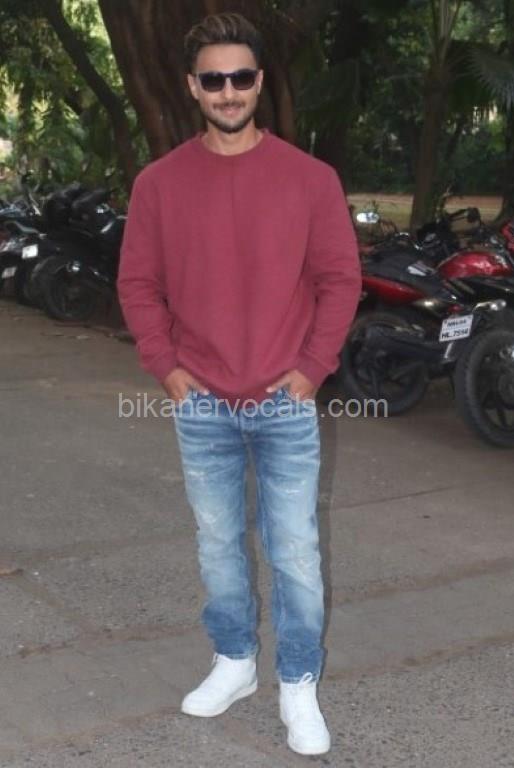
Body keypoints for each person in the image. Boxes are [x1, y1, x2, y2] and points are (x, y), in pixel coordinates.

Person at [117, 11, 361, 757]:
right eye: (214, 79)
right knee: (219, 543)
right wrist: (167, 368)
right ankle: (234, 660)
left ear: (260, 82)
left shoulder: (310, 180)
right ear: (192, 87)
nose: (229, 91)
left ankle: (298, 681)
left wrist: (311, 369)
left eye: (241, 77)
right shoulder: (159, 185)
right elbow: (137, 284)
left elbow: (339, 280)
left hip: (285, 403)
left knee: (295, 551)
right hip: (202, 403)